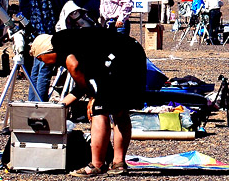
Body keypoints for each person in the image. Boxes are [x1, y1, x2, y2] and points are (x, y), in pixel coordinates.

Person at [29, 29, 145, 177]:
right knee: (120, 110)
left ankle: (96, 164)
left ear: (45, 52)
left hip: (115, 60)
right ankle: (118, 163)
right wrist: (59, 107)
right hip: (133, 53)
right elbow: (81, 87)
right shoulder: (77, 42)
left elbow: (74, 67)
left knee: (98, 112)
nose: (43, 63)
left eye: (41, 59)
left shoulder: (59, 42)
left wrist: (92, 97)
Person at [22, 0, 58, 102]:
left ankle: (32, 102)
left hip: (36, 34)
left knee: (35, 72)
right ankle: (40, 104)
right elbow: (48, 15)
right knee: (44, 72)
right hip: (46, 35)